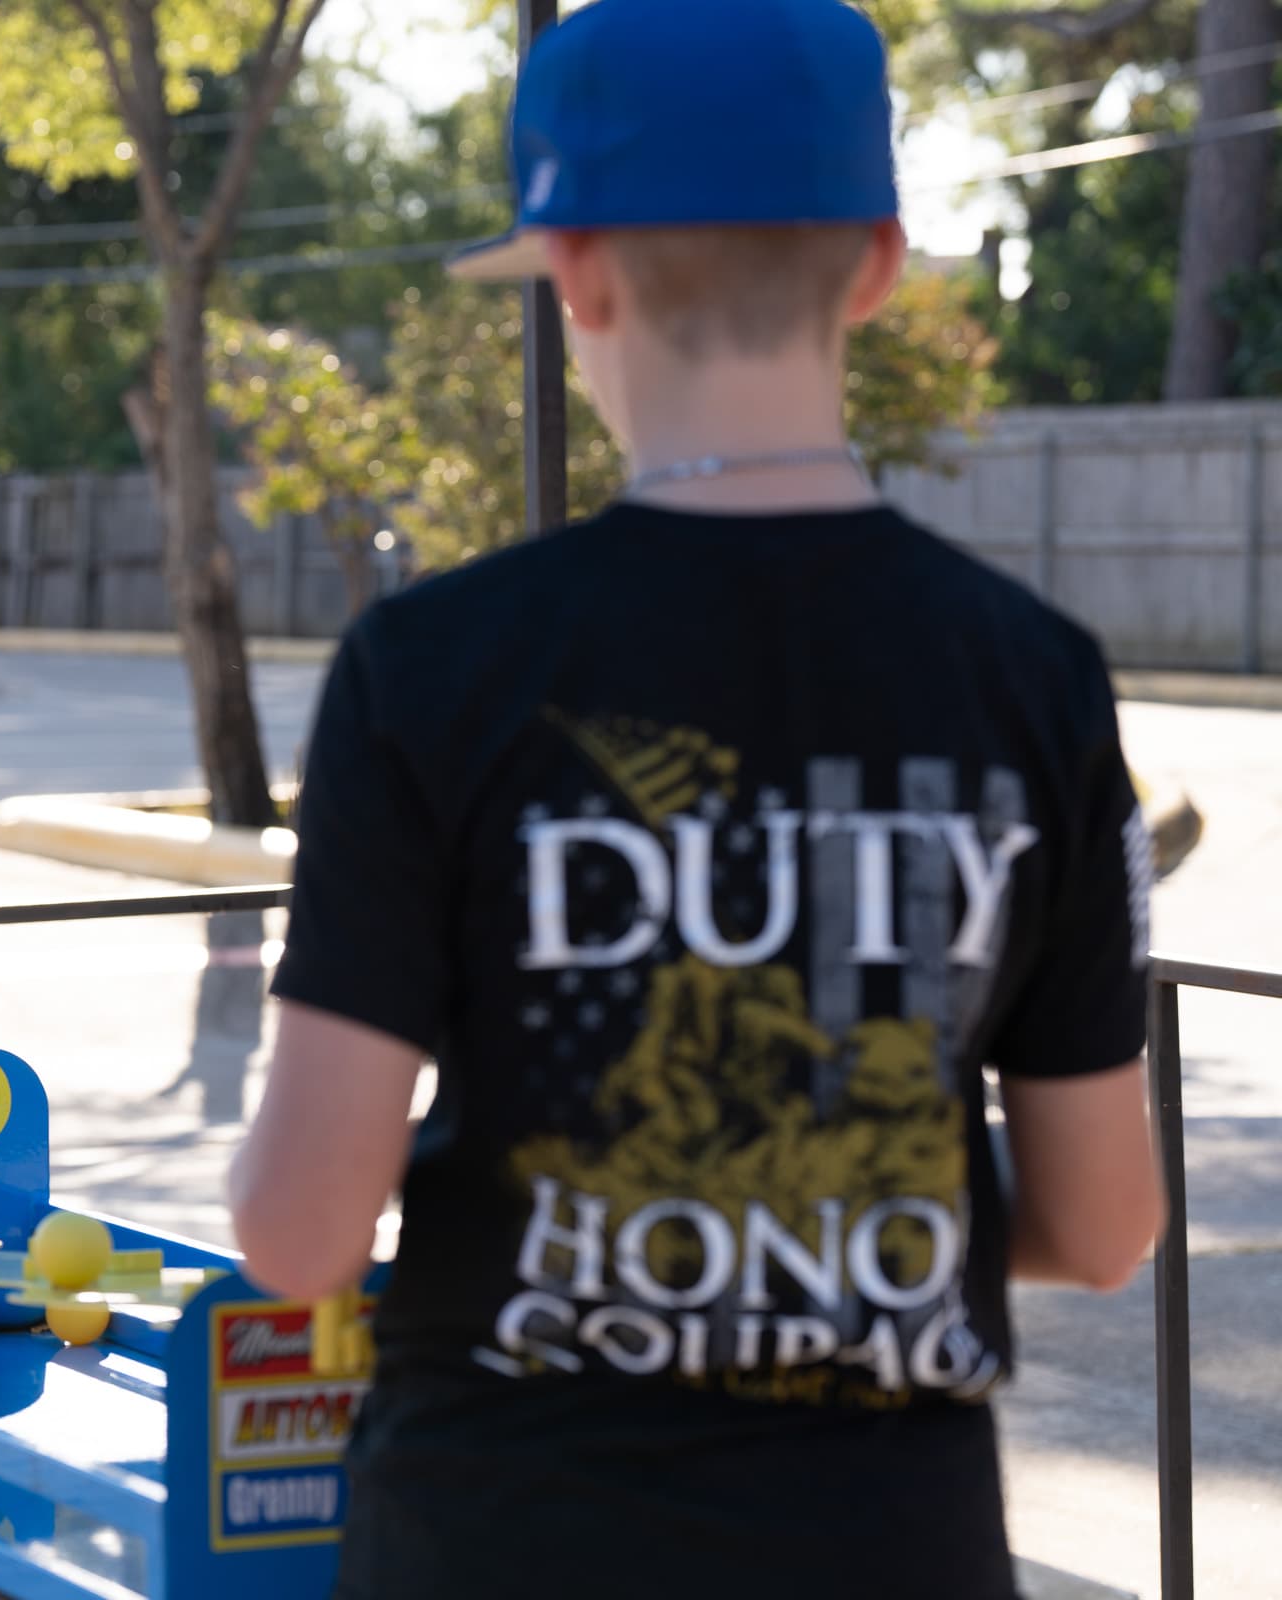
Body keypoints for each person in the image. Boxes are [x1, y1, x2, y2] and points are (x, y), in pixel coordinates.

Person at [227, 3, 1167, 1596]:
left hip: (502, 1544)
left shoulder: (432, 666)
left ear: (576, 271)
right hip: (893, 1553)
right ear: (874, 266)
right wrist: (816, 1198)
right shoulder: (1038, 674)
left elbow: (299, 1236)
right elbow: (1102, 1221)